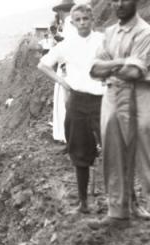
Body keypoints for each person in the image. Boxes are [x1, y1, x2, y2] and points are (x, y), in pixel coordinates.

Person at [38, 4, 105, 214]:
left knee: (114, 151)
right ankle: (83, 203)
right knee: (80, 154)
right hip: (77, 102)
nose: (83, 22)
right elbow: (43, 64)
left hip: (103, 102)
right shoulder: (66, 45)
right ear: (73, 22)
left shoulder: (103, 41)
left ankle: (124, 202)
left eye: (86, 18)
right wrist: (63, 82)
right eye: (79, 19)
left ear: (92, 19)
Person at [89, 0, 150, 228]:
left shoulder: (145, 32)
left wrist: (110, 66)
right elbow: (94, 69)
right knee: (113, 152)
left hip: (140, 95)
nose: (119, 3)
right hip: (112, 95)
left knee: (145, 153)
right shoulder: (109, 32)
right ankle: (118, 212)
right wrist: (122, 62)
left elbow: (135, 71)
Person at [51, 0, 75, 144]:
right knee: (63, 99)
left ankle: (66, 136)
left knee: (65, 100)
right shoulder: (69, 23)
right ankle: (66, 135)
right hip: (67, 63)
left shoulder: (70, 22)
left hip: (68, 65)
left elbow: (70, 45)